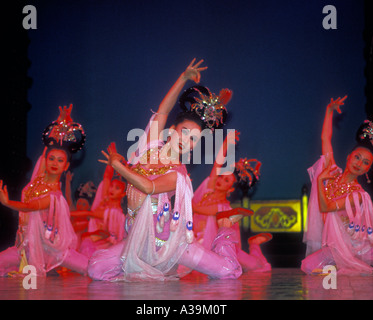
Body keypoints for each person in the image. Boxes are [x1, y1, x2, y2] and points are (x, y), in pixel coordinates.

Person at [88, 59, 246, 281]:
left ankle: (225, 227)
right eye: (184, 132)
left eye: (194, 139)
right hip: (138, 239)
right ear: (172, 130)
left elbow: (148, 186)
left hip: (168, 243)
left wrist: (118, 165)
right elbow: (163, 110)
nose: (186, 140)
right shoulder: (150, 146)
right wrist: (183, 78)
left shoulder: (178, 174)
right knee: (95, 268)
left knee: (227, 272)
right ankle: (146, 267)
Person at [301, 96, 373, 276]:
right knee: (307, 265)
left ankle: (349, 266)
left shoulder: (358, 194)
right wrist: (329, 110)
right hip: (338, 249)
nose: (359, 163)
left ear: (367, 170)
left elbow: (326, 207)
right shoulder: (332, 174)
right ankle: (343, 266)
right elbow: (325, 138)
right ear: (349, 156)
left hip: (362, 249)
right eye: (357, 157)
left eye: (365, 163)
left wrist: (318, 181)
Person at [0, 105, 89, 277]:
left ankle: (47, 267)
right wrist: (60, 122)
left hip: (51, 249)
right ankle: (32, 270)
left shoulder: (54, 194)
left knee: (92, 269)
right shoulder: (38, 179)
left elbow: (29, 206)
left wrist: (7, 202)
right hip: (26, 248)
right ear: (46, 161)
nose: (54, 163)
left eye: (60, 160)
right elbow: (49, 146)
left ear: (66, 166)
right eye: (51, 159)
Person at [192, 131, 271, 272]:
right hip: (196, 241)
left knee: (257, 267)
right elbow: (217, 165)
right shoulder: (208, 190)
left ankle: (254, 245)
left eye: (226, 180)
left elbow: (195, 209)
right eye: (221, 177)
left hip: (219, 247)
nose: (220, 180)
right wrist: (226, 143)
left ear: (231, 189)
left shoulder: (222, 207)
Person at [72, 163, 127, 257]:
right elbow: (106, 177)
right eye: (111, 186)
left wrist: (67, 214)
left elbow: (88, 214)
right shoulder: (105, 201)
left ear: (123, 194)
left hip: (103, 250)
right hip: (94, 244)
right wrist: (111, 161)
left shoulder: (116, 213)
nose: (112, 189)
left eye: (117, 188)